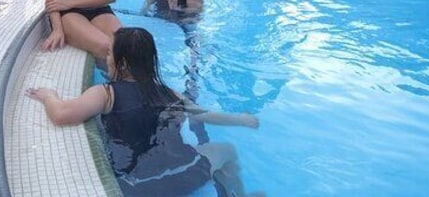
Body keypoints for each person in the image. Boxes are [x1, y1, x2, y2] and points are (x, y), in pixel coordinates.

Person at [27, 27, 260, 197]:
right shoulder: (170, 93)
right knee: (227, 151)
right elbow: (204, 115)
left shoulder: (106, 94)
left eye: (109, 54)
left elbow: (61, 115)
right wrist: (241, 119)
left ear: (124, 64)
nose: (106, 58)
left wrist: (49, 96)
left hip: (136, 185)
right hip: (184, 173)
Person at [143, 0, 208, 143]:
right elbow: (150, 2)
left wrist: (174, 9)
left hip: (185, 35)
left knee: (190, 78)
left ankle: (197, 125)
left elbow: (194, 21)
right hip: (162, 27)